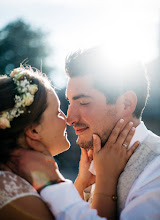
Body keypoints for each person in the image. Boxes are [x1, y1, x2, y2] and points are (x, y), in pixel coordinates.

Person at [0, 65, 139, 220]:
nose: (68, 119)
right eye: (58, 111)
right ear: (33, 131)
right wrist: (106, 179)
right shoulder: (10, 190)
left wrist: (80, 184)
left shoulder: (16, 179)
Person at [64, 46, 160, 219]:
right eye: (69, 102)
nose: (69, 118)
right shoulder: (92, 164)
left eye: (84, 103)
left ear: (126, 104)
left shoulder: (156, 170)